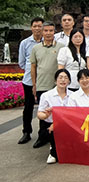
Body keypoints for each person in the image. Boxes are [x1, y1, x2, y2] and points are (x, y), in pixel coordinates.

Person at [30, 21, 64, 149]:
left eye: (51, 30)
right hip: (42, 85)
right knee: (43, 113)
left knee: (59, 112)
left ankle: (57, 137)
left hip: (57, 86)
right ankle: (42, 137)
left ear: (54, 32)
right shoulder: (36, 48)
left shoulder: (61, 47)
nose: (48, 33)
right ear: (42, 32)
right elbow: (33, 67)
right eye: (46, 31)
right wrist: (34, 84)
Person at [17, 17, 44, 144]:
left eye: (40, 26)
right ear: (31, 27)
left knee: (44, 107)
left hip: (44, 80)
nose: (37, 28)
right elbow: (21, 63)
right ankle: (26, 132)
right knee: (28, 107)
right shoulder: (25, 43)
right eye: (35, 26)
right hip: (28, 80)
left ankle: (43, 134)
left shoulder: (48, 41)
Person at [37, 68, 71, 164]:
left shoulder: (73, 95)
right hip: (50, 125)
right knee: (53, 129)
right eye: (60, 77)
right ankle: (53, 153)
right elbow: (39, 114)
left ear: (69, 81)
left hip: (67, 123)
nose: (63, 80)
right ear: (55, 81)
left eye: (66, 78)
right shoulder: (46, 95)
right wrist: (45, 115)